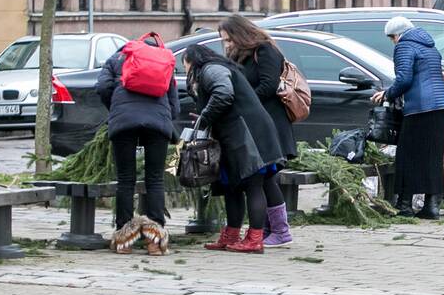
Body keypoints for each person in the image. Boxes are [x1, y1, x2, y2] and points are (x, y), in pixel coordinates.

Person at [183, 44, 285, 254]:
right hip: (235, 136)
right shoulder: (214, 69)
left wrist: (205, 117)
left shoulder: (211, 69)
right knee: (231, 187)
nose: (184, 69)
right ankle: (231, 234)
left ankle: (255, 238)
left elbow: (223, 94)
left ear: (191, 60)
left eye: (184, 64)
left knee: (253, 184)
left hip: (249, 135)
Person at [96, 36, 179, 255]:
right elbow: (174, 101)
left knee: (125, 179)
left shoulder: (117, 58)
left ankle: (125, 241)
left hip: (124, 121)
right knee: (155, 179)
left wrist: (115, 106)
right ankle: (154, 242)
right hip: (158, 123)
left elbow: (102, 87)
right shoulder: (164, 61)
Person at [219, 14, 296, 247]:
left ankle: (280, 231)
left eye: (229, 39)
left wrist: (244, 102)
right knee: (262, 179)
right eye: (223, 40)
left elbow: (269, 85)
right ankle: (267, 230)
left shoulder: (264, 51)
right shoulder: (238, 55)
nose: (227, 44)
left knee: (266, 178)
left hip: (270, 124)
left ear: (240, 34)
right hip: (254, 125)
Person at [370, 16, 444, 219]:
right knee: (432, 156)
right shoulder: (429, 45)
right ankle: (432, 207)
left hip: (420, 107)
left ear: (398, 34)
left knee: (407, 155)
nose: (392, 42)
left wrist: (387, 94)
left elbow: (404, 78)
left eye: (392, 38)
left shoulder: (404, 46)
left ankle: (404, 205)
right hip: (440, 105)